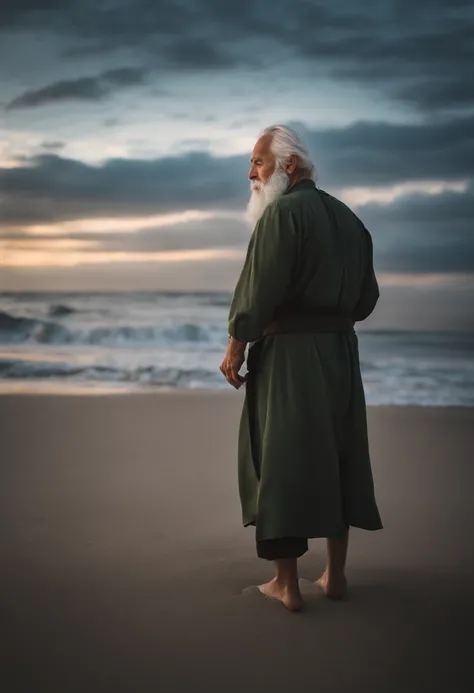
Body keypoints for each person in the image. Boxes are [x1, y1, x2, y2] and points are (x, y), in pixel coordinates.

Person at [219, 124, 383, 612]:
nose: (251, 173)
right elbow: (367, 299)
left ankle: (286, 585)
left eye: (258, 162)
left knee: (280, 456)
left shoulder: (281, 215)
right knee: (339, 453)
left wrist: (235, 346)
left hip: (288, 355)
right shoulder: (351, 221)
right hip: (339, 353)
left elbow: (255, 294)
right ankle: (335, 576)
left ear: (289, 166)